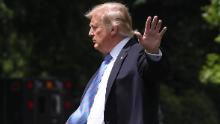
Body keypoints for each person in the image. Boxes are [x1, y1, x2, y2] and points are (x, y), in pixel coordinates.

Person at [66, 2, 167, 124]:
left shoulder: (138, 53)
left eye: (94, 27)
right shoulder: (106, 64)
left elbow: (157, 72)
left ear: (113, 29)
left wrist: (152, 52)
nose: (90, 33)